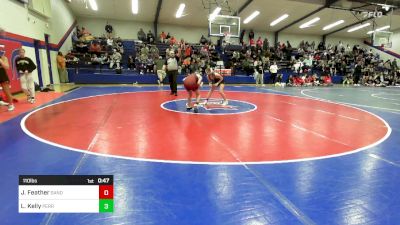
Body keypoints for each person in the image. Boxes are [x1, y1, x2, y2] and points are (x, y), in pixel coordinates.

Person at [0, 43, 15, 111]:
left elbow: (7, 67)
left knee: (6, 92)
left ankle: (11, 104)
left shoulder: (4, 57)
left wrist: (0, 61)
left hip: (2, 75)